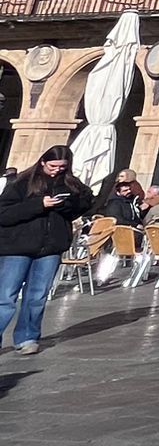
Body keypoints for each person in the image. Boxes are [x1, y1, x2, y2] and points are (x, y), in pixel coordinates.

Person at [0, 146, 92, 356]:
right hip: (17, 247)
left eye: (62, 167)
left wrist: (68, 204)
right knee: (5, 295)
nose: (57, 170)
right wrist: (39, 204)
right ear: (42, 162)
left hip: (50, 247)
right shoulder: (22, 183)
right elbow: (4, 214)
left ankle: (27, 337)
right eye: (52, 166)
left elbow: (85, 204)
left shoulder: (71, 184)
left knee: (38, 295)